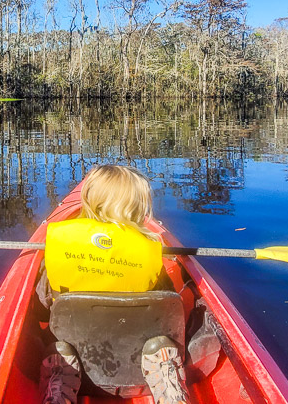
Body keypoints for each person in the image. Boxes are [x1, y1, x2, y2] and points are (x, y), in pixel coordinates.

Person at [37, 164, 189, 404]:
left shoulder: (61, 241)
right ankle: (165, 375)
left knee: (33, 331)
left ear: (89, 201)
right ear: (138, 209)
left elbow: (41, 305)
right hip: (138, 365)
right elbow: (167, 306)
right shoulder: (149, 251)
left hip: (77, 359)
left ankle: (60, 386)